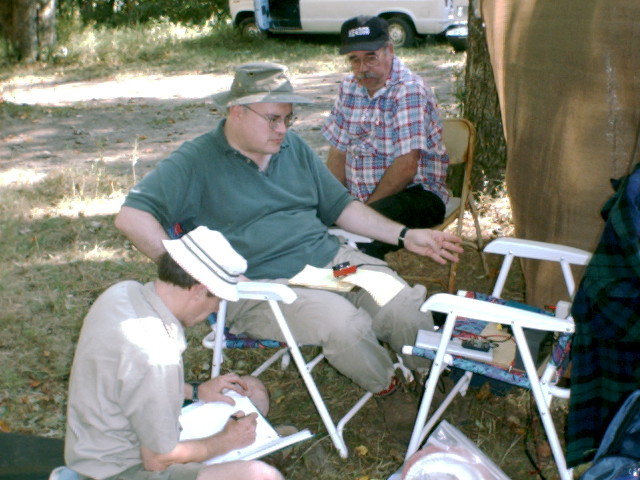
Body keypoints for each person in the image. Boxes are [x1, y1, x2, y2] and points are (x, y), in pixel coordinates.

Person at [114, 61, 463, 440]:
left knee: (400, 303)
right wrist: (195, 270)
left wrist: (404, 235)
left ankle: (429, 378)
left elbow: (342, 208)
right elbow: (131, 217)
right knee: (345, 325)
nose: (282, 129)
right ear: (237, 111)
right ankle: (390, 390)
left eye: (288, 119)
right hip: (261, 285)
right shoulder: (196, 161)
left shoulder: (292, 148)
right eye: (273, 119)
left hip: (329, 264)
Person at [64, 227, 284, 480]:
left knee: (252, 391)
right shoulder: (157, 352)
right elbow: (157, 460)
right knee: (261, 476)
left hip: (102, 440)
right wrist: (226, 441)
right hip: (120, 469)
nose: (217, 308)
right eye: (218, 299)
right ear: (198, 291)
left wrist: (196, 391)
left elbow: (131, 382)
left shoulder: (123, 292)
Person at [323, 15, 450, 259]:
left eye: (371, 57)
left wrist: (361, 216)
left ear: (390, 50)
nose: (363, 68)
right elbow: (337, 152)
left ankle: (356, 277)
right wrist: (334, 200)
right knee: (311, 225)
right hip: (360, 198)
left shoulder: (409, 90)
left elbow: (406, 167)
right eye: (354, 60)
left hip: (416, 193)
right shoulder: (348, 87)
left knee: (359, 240)